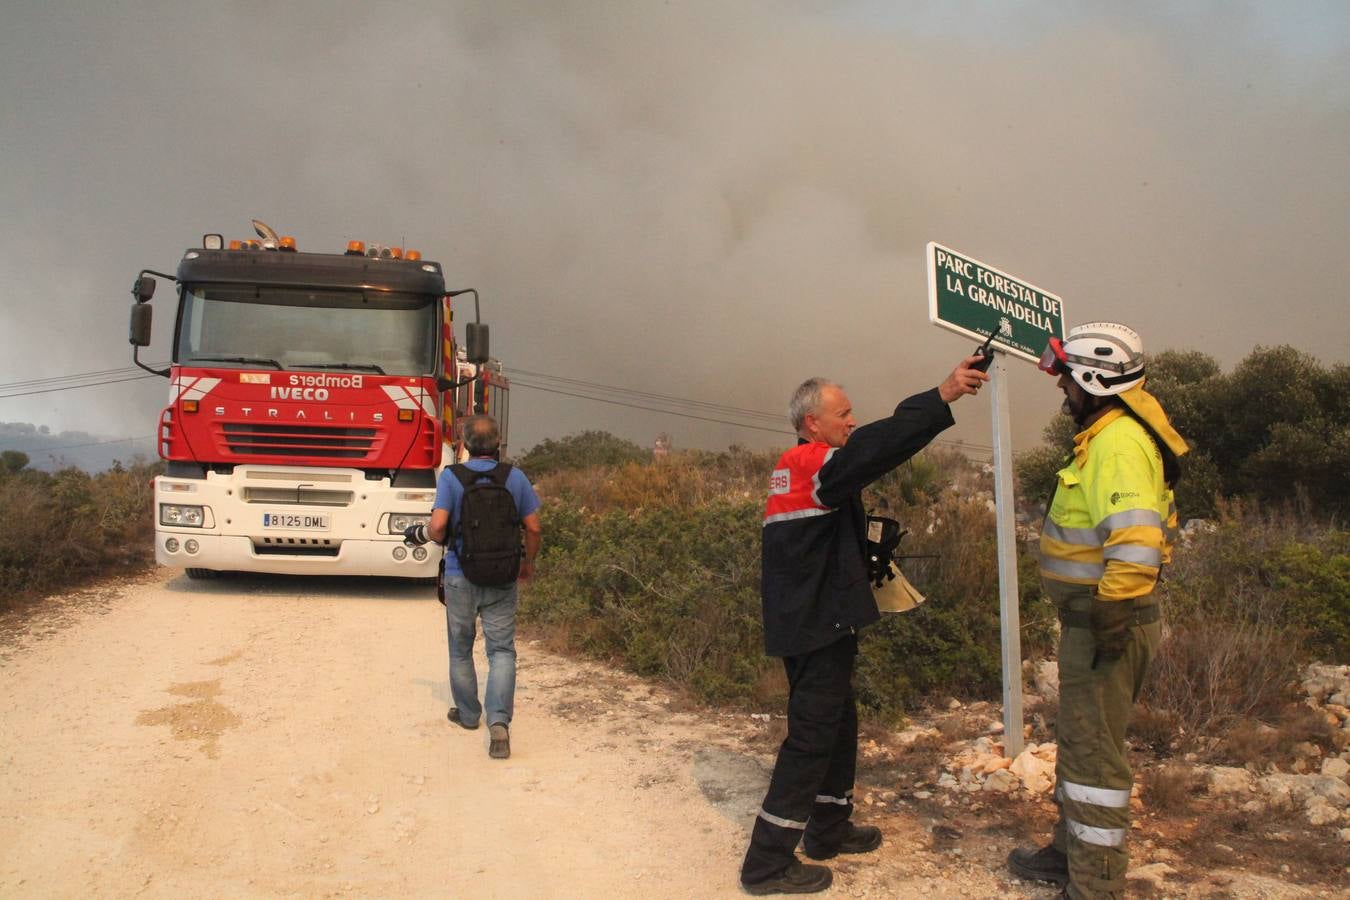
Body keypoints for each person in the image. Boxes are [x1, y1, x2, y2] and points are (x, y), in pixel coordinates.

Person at [740, 356, 990, 895]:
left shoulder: (800, 466)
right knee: (811, 738)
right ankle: (766, 862)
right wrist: (941, 395)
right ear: (813, 423)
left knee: (840, 722)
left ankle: (828, 828)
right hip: (816, 624)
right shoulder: (813, 462)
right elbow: (878, 448)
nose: (852, 422)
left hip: (811, 618)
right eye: (844, 414)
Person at [1008, 323, 1188, 899]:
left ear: (1093, 379)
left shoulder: (1116, 443)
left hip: (1107, 621)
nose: (1064, 391)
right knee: (1081, 742)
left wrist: (1111, 614)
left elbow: (1134, 545)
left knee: (1095, 761)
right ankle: (1067, 855)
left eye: (1068, 380)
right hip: (1094, 620)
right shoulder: (1108, 435)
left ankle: (1095, 886)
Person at [405, 415, 542, 760]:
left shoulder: (452, 477)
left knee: (460, 648)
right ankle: (499, 724)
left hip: (460, 573)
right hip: (502, 575)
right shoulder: (515, 477)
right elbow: (535, 528)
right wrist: (527, 564)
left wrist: (432, 535)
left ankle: (468, 715)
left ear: (464, 445)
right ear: (498, 444)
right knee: (501, 651)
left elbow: (437, 527)